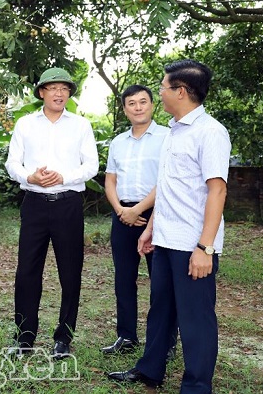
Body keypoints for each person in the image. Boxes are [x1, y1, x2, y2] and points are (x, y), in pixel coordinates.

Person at [108, 59, 230, 392]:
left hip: (192, 244)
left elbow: (217, 190)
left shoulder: (210, 132)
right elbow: (168, 187)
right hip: (164, 238)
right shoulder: (174, 131)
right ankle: (150, 370)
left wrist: (205, 247)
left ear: (181, 91)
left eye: (163, 87)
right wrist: (151, 228)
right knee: (160, 310)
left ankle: (196, 386)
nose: (159, 93)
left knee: (195, 319)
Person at [5, 67, 99, 358]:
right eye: (53, 88)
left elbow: (91, 165)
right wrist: (29, 177)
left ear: (69, 93)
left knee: (70, 273)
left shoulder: (81, 125)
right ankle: (24, 338)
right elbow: (12, 163)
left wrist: (63, 177)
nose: (59, 93)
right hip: (34, 204)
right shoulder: (25, 124)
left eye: (65, 89)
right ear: (42, 92)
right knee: (27, 272)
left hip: (67, 204)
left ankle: (63, 339)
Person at [101, 85, 170, 355]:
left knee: (161, 281)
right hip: (122, 215)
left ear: (152, 105)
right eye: (131, 103)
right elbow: (110, 180)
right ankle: (126, 337)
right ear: (125, 109)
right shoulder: (118, 142)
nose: (138, 107)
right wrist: (121, 210)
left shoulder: (167, 137)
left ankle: (164, 341)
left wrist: (139, 209)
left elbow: (167, 179)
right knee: (124, 278)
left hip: (157, 213)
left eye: (143, 101)